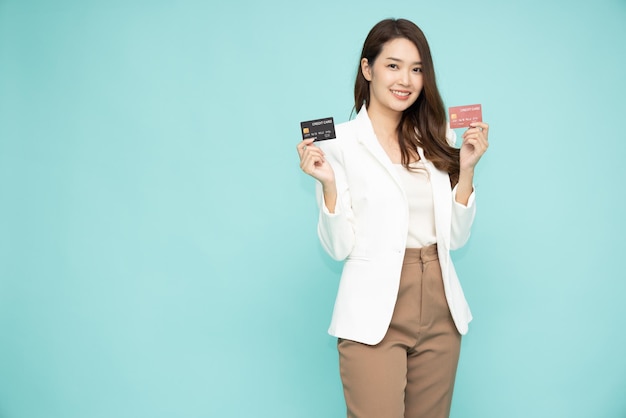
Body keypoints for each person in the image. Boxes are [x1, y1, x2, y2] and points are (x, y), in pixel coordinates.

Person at [297, 18, 489, 418]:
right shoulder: (338, 144)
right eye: (393, 65)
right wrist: (329, 185)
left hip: (440, 306)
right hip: (372, 310)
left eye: (417, 69)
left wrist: (465, 171)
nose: (406, 79)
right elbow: (338, 248)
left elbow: (455, 238)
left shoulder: (439, 139)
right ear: (367, 69)